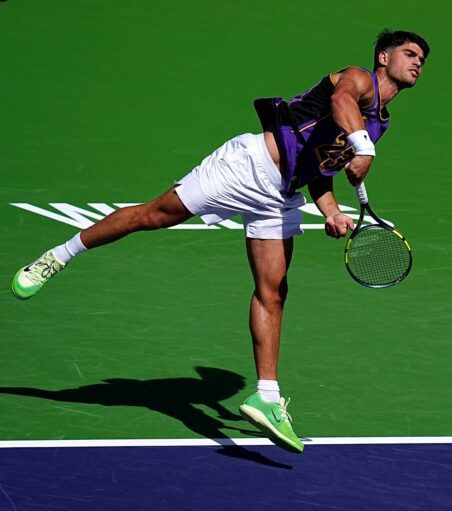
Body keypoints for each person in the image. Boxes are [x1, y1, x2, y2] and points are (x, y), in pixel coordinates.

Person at [11, 29, 430, 453]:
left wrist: (332, 210)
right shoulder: (357, 79)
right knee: (153, 215)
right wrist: (363, 148)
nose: (417, 62)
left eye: (422, 60)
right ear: (382, 57)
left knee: (274, 292)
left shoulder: (379, 124)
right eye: (409, 53)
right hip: (245, 168)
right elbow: (341, 102)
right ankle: (57, 256)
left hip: (281, 196)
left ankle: (265, 398)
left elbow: (319, 168)